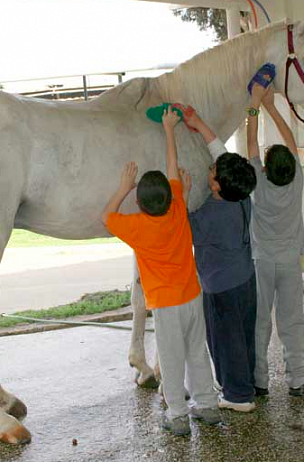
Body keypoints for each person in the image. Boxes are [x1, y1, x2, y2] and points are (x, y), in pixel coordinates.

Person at [101, 106, 220, 436]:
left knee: (170, 358)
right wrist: (169, 129)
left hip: (166, 305)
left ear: (139, 204)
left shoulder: (137, 227)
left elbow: (106, 216)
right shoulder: (178, 207)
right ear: (172, 195)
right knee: (198, 351)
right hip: (192, 296)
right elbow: (172, 168)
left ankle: (178, 416)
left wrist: (124, 185)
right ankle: (208, 406)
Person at [181, 109, 259, 413]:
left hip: (221, 288)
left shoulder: (211, 215)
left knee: (225, 341)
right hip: (245, 281)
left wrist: (184, 193)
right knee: (243, 337)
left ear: (215, 186)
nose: (210, 167)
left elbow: (185, 228)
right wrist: (200, 124)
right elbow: (226, 160)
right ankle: (241, 385)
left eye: (212, 171)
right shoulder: (241, 195)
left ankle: (238, 397)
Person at [246, 76, 304, 397]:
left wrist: (255, 105)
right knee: (292, 322)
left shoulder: (258, 181)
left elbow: (251, 144)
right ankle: (296, 380)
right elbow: (290, 138)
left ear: (265, 167)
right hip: (290, 261)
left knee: (260, 323)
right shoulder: (297, 181)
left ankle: (260, 381)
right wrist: (271, 105)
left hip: (262, 261)